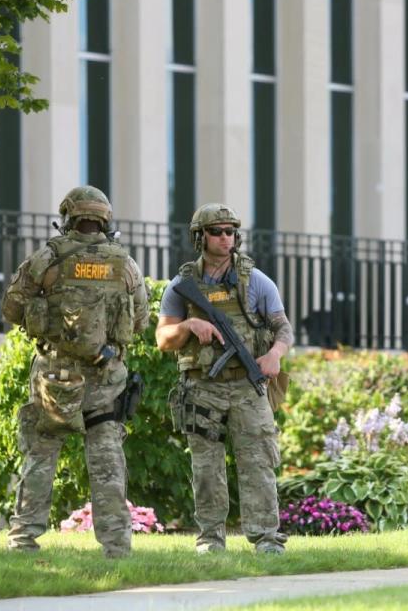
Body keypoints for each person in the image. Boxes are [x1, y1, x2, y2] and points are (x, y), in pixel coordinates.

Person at [1, 185, 150, 558]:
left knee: (41, 455)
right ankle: (117, 548)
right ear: (104, 218)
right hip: (105, 379)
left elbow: (12, 308)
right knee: (108, 463)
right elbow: (141, 320)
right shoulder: (125, 264)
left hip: (56, 376)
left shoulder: (46, 259)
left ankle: (23, 540)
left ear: (68, 216)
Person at [156, 203, 294, 555]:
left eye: (230, 231)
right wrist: (188, 325)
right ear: (200, 237)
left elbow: (283, 328)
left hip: (247, 387)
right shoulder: (182, 285)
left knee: (259, 462)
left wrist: (274, 355)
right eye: (217, 231)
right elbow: (162, 340)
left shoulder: (256, 281)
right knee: (206, 467)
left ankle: (265, 538)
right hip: (202, 387)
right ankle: (211, 539)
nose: (225, 238)